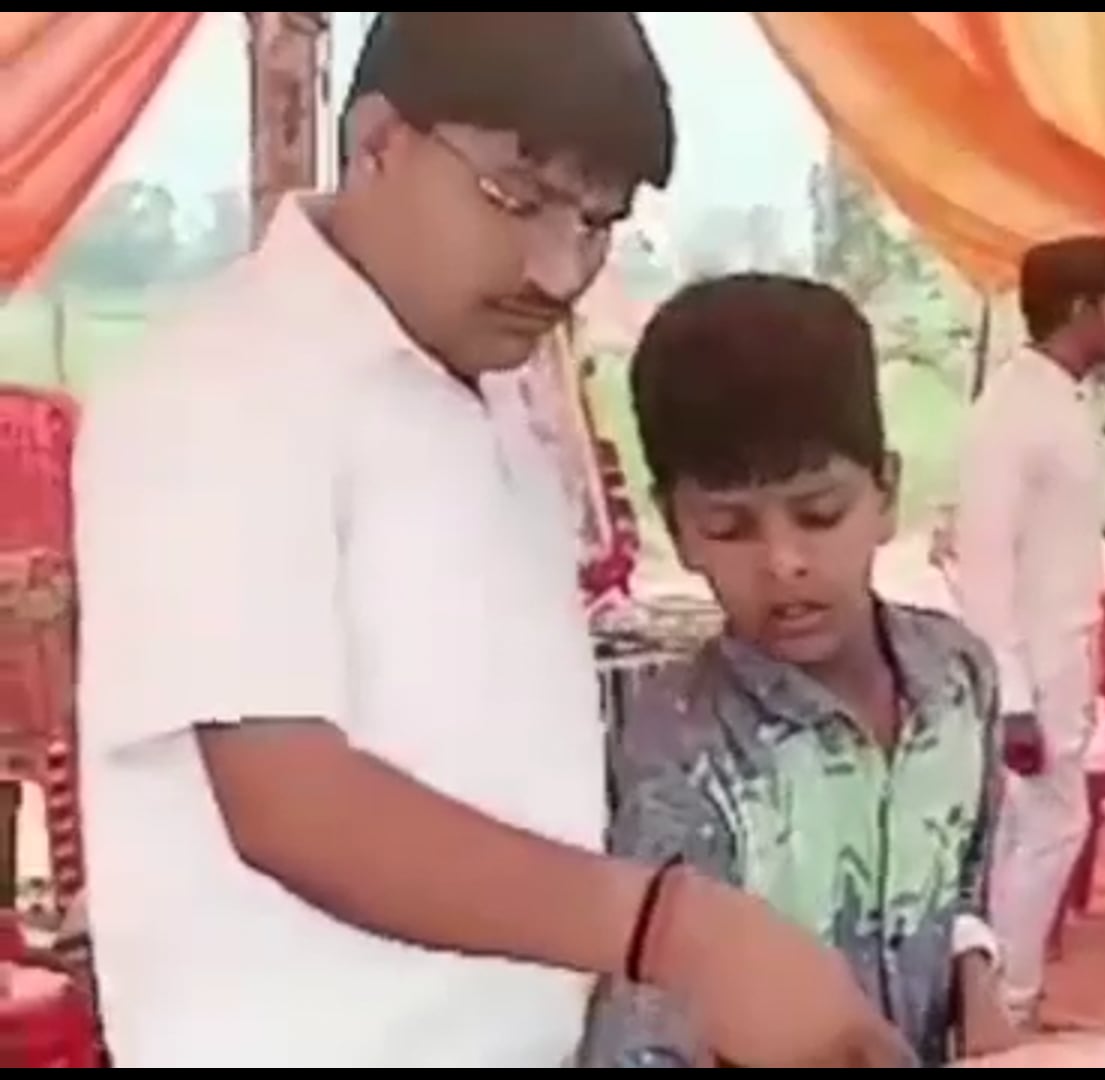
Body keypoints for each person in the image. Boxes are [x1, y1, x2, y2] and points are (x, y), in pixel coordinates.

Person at [72, 14, 908, 1068]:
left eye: (597, 222)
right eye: (519, 198)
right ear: (378, 140)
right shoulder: (220, 388)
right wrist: (674, 931)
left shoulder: (499, 385)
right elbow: (292, 804)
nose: (558, 272)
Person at [577, 275, 1019, 1067]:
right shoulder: (677, 745)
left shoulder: (959, 681)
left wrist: (978, 991)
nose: (784, 563)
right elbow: (646, 1027)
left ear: (886, 493)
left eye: (820, 514)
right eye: (729, 527)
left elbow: (960, 895)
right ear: (677, 529)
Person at [953, 235, 1105, 1024]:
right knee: (1050, 827)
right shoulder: (1013, 411)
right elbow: (985, 561)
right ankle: (1006, 1006)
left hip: (1062, 651)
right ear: (1080, 310)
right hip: (1030, 660)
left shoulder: (1064, 399)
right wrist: (1014, 697)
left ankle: (1000, 998)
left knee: (1034, 831)